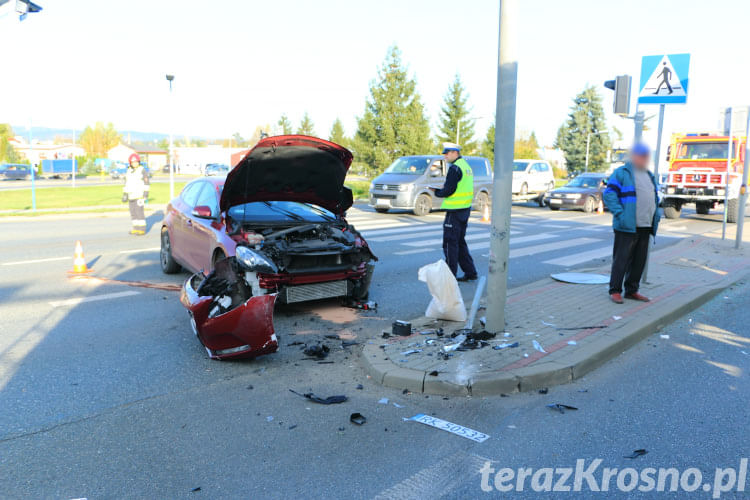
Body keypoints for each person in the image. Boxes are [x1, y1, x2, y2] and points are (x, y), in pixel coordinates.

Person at [602, 143, 660, 303]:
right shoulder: (622, 173)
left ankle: (632, 290)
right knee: (621, 259)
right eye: (641, 156)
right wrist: (620, 214)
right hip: (627, 225)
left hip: (646, 224)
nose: (644, 159)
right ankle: (615, 290)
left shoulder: (648, 174)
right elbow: (609, 194)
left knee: (639, 261)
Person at [429, 142, 478, 281]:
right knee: (460, 242)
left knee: (450, 243)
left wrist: (437, 191)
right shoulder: (466, 166)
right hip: (464, 209)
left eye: (447, 153)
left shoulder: (455, 168)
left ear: (455, 153)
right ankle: (471, 272)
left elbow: (449, 190)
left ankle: (450, 276)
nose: (445, 156)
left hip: (455, 211)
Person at [123, 153, 149, 235]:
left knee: (139, 212)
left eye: (136, 162)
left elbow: (146, 183)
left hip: (139, 196)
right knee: (133, 212)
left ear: (139, 162)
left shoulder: (142, 170)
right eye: (133, 162)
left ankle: (141, 229)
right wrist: (125, 194)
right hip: (131, 196)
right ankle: (135, 228)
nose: (134, 163)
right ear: (130, 163)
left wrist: (145, 195)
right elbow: (126, 183)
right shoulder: (128, 171)